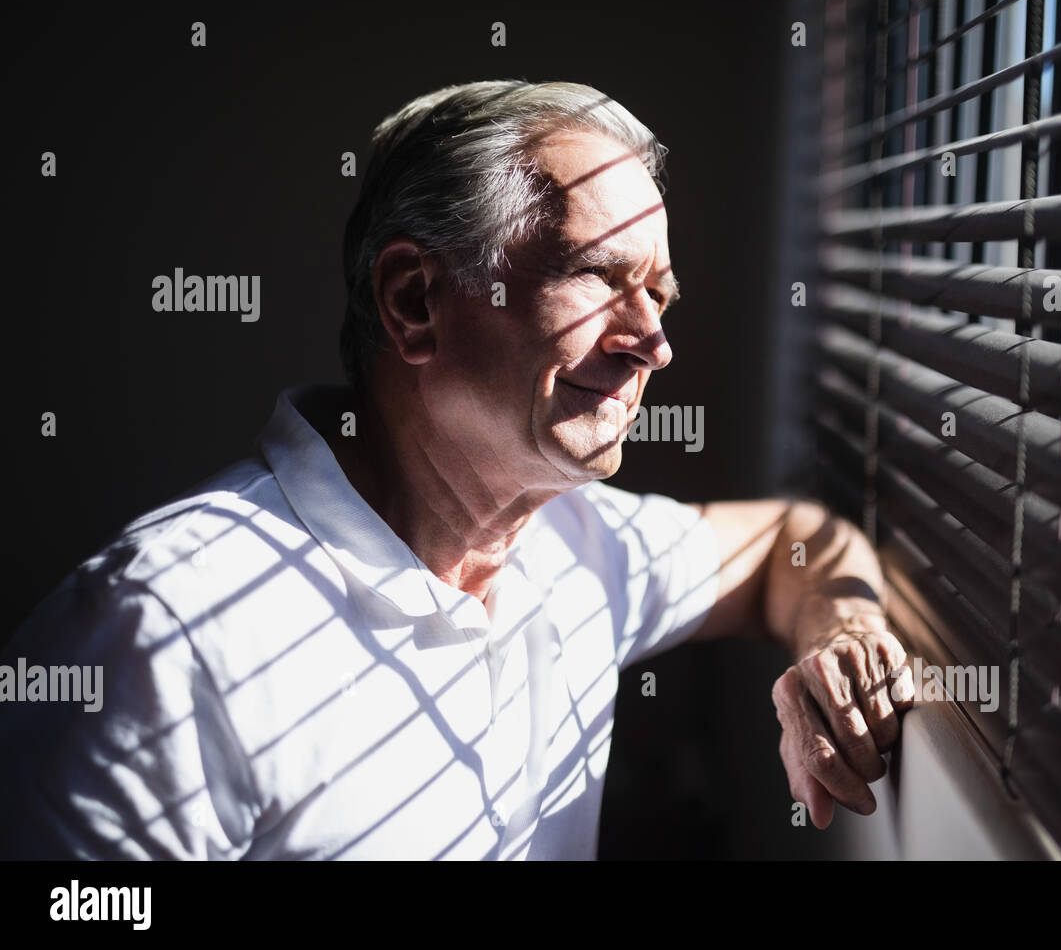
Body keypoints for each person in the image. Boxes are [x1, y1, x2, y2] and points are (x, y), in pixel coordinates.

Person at [0, 80, 915, 859]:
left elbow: (795, 542)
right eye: (599, 275)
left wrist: (843, 635)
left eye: (661, 295)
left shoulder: (573, 543)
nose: (656, 346)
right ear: (414, 302)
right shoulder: (163, 633)